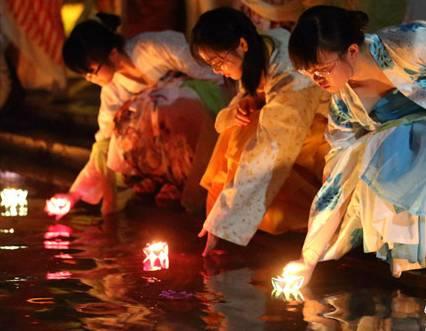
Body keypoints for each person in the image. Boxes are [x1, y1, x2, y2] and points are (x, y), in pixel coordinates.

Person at [284, 5, 426, 286]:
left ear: (351, 50)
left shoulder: (410, 44)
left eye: (323, 70)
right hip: (409, 164)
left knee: (387, 140)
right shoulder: (344, 104)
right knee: (370, 155)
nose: (318, 81)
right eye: (310, 74)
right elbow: (338, 174)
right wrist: (308, 258)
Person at [49, 13, 225, 216]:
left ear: (113, 54)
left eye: (92, 71)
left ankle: (192, 180)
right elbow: (104, 141)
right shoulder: (112, 91)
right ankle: (170, 181)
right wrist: (75, 194)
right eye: (85, 75)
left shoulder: (153, 48)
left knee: (161, 106)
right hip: (173, 144)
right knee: (122, 129)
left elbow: (213, 75)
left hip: (209, 113)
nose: (90, 79)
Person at [190, 7, 330, 256]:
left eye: (218, 62)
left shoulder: (290, 71)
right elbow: (239, 108)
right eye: (211, 65)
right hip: (285, 132)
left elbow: (273, 147)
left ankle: (280, 218)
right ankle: (219, 221)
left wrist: (225, 219)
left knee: (250, 135)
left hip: (320, 133)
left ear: (241, 44)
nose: (217, 71)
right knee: (237, 127)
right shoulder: (258, 50)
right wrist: (243, 105)